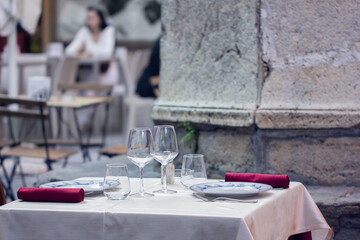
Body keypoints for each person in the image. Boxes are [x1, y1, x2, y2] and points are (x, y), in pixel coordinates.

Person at [65, 6, 117, 85]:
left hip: (104, 72)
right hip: (88, 73)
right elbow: (68, 51)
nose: (89, 21)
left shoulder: (108, 31)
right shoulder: (84, 32)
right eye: (88, 18)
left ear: (100, 19)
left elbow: (107, 53)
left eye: (91, 18)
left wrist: (89, 53)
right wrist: (79, 52)